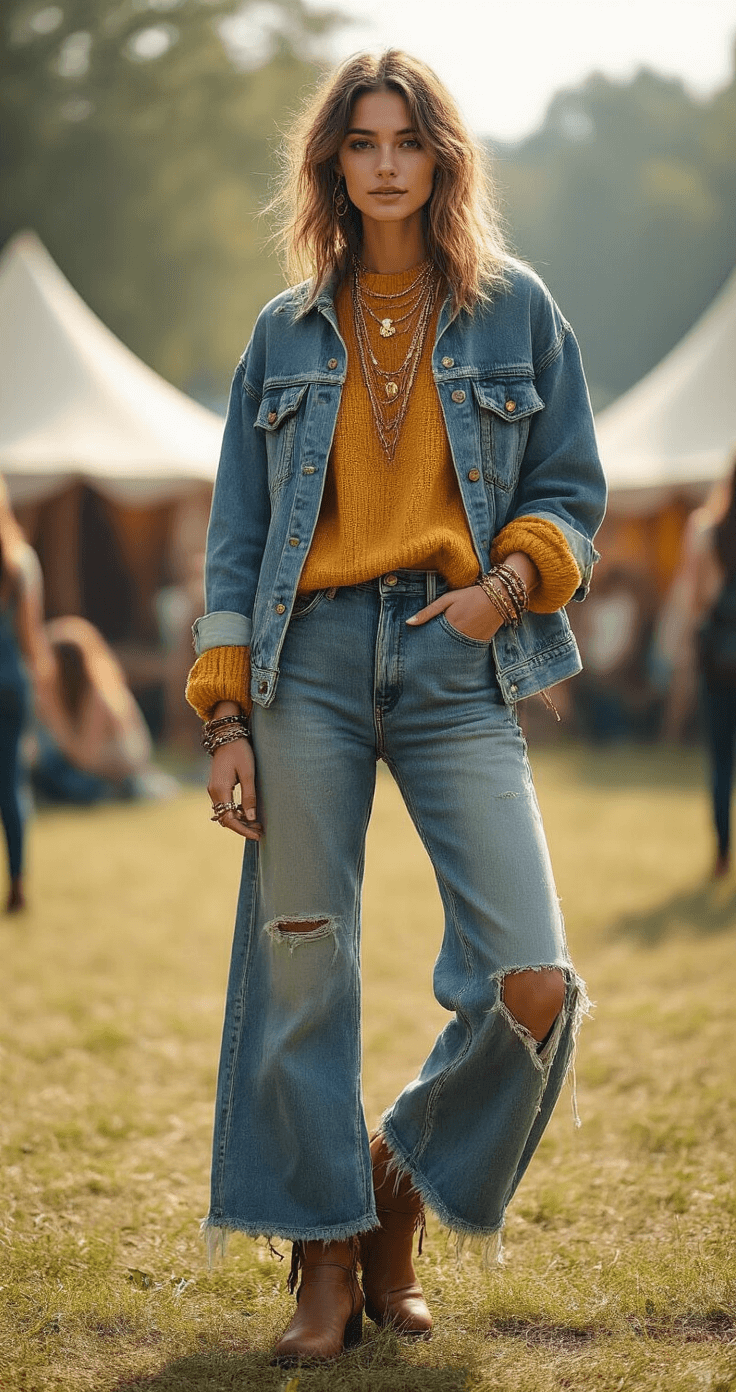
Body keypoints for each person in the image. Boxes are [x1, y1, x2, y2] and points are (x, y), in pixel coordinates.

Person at [185, 50, 606, 1365]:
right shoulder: (280, 333)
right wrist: (228, 718)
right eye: (360, 142)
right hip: (304, 663)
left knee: (530, 981)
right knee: (304, 969)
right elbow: (238, 539)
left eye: (405, 142)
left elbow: (573, 486)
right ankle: (321, 1259)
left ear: (440, 161)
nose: (383, 163)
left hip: (453, 662)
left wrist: (508, 585)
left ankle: (392, 1193)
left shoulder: (515, 312)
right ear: (333, 165)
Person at [676, 458, 736, 877]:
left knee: (720, 761)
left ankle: (721, 854)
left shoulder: (707, 532)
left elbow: (696, 605)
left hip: (718, 664)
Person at [31, 616, 163, 804]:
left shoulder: (98, 696)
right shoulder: (73, 694)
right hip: (94, 771)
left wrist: (54, 715)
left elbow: (84, 758)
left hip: (115, 775)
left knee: (62, 777)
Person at [0, 480, 51, 913]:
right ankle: (17, 883)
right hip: (13, 682)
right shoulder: (21, 562)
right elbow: (31, 637)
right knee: (11, 785)